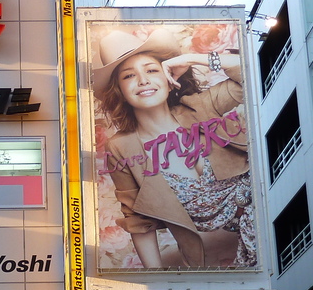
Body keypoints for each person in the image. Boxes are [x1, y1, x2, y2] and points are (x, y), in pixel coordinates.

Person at [92, 25, 253, 270]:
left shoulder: (200, 106)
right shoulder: (121, 147)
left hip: (270, 226)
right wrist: (157, 280)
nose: (143, 80)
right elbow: (138, 221)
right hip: (215, 260)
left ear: (169, 79)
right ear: (121, 92)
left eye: (152, 70)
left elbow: (253, 73)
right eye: (128, 75)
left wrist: (191, 57)